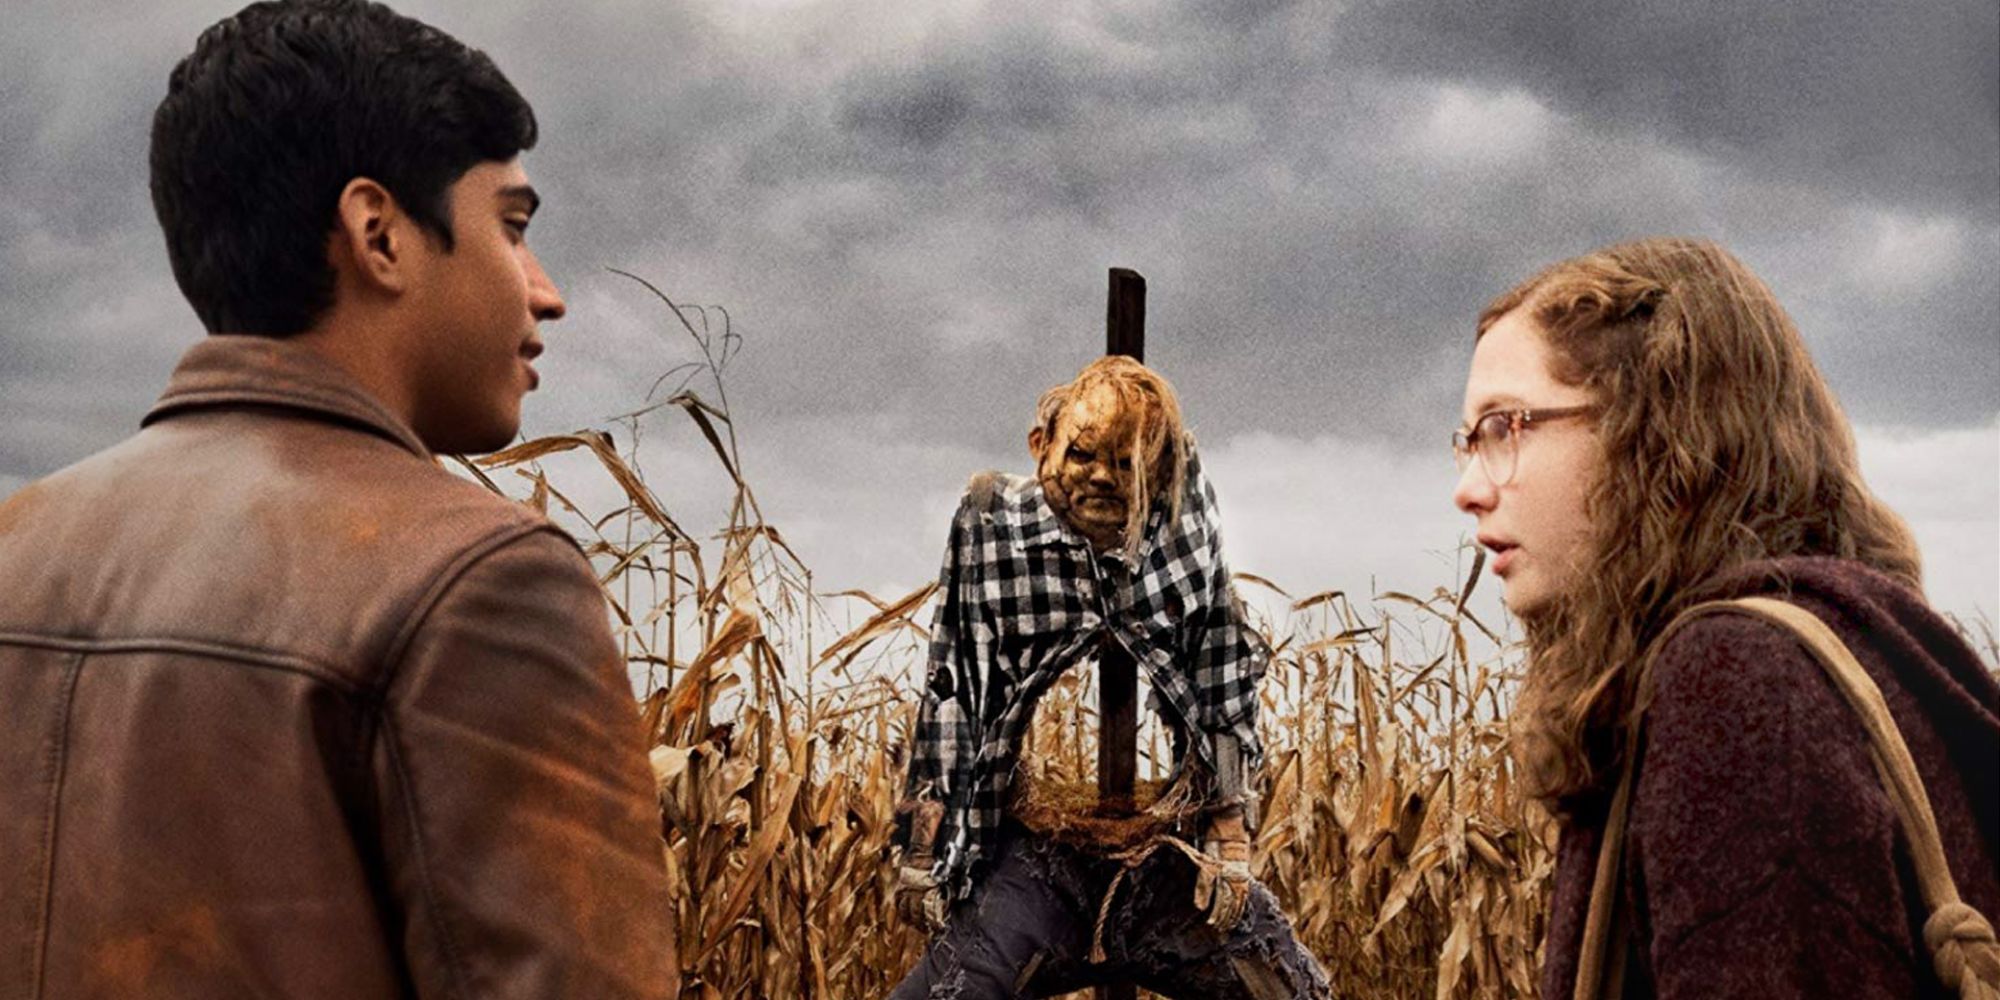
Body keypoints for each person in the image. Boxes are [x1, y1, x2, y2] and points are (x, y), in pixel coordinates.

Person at [0, 2, 678, 997]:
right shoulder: (478, 583)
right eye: (513, 227)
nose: (546, 292)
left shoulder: (18, 545)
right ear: (379, 235)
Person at [1450, 236, 2000, 998]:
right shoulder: (1849, 652)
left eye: (1504, 427)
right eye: (1466, 442)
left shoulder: (1742, 686)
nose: (1469, 488)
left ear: (1651, 427)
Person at [888, 356, 1329, 999]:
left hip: (1166, 865)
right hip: (1034, 868)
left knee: (1290, 990)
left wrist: (1229, 840)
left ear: (1157, 470)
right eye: (1084, 455)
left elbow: (1221, 672)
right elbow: (956, 684)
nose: (1101, 478)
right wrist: (923, 854)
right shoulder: (993, 528)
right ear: (1042, 447)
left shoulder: (1182, 520)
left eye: (1125, 465)